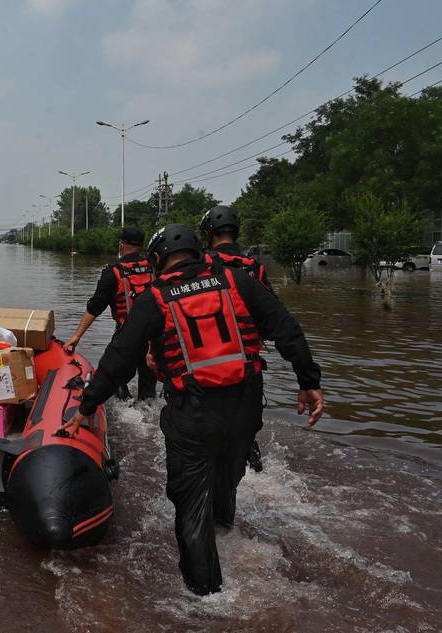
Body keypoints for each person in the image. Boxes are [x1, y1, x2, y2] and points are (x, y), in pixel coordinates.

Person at [62, 224, 324, 596]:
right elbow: (286, 329)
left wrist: (85, 407)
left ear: (157, 260)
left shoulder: (155, 298)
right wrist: (308, 381)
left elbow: (120, 357)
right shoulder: (238, 282)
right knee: (226, 481)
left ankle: (206, 600)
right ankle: (227, 530)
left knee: (190, 505)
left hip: (194, 415)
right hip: (245, 408)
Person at [200, 205, 274, 472]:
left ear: (208, 233)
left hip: (209, 363)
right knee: (246, 434)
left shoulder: (200, 265)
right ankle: (256, 472)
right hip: (248, 365)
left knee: (208, 432)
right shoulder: (255, 269)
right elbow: (272, 316)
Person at [64, 227, 157, 401]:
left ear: (121, 246)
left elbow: (95, 308)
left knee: (115, 381)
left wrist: (77, 336)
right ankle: (147, 415)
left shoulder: (113, 272)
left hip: (126, 336)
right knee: (148, 389)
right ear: (143, 246)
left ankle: (123, 408)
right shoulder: (154, 268)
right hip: (154, 337)